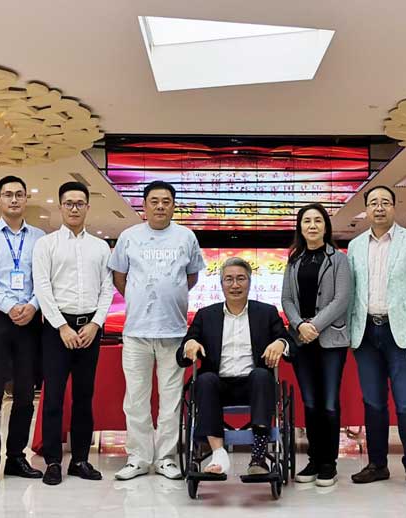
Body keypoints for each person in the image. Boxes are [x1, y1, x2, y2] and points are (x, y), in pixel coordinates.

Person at [109, 180, 205, 481]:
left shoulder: (186, 236)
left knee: (171, 399)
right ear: (144, 205)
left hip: (174, 332)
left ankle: (166, 458)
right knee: (136, 399)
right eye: (154, 201)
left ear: (173, 206)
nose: (160, 206)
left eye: (166, 201)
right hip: (136, 332)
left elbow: (191, 278)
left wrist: (169, 294)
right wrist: (140, 298)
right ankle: (138, 458)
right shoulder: (129, 237)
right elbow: (119, 277)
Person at [346, 186, 406, 492]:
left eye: (385, 202)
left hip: (402, 333)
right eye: (373, 203)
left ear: (394, 207)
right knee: (373, 403)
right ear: (366, 210)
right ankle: (377, 465)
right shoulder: (355, 245)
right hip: (366, 334)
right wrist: (350, 332)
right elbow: (351, 292)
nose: (379, 207)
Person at [177, 257, 290, 476]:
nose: (235, 285)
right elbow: (182, 354)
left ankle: (258, 457)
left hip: (254, 387)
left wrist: (280, 343)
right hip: (217, 387)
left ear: (250, 281)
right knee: (204, 379)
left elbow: (289, 345)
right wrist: (189, 344)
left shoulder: (266, 313)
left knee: (262, 375)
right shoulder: (205, 315)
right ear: (221, 283)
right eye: (229, 279)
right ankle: (218, 454)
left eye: (241, 278)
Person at [34, 181, 115, 485]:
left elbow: (107, 289)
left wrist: (96, 324)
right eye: (69, 203)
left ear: (87, 207)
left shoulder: (100, 247)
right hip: (57, 329)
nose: (74, 208)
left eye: (80, 203)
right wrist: (62, 326)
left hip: (90, 329)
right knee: (54, 397)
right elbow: (42, 287)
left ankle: (80, 459)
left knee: (84, 396)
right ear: (60, 206)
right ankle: (53, 461)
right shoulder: (47, 245)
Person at [0, 175, 46, 486]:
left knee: (25, 395)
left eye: (19, 194)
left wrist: (32, 306)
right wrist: (9, 306)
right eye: (8, 194)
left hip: (30, 320)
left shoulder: (40, 237)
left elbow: (45, 279)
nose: (14, 199)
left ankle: (16, 458)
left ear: (26, 199)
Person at [280, 203, 353, 487]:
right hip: (302, 340)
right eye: (307, 221)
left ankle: (328, 463)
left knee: (329, 403)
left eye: (317, 221)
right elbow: (287, 299)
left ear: (325, 226)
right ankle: (313, 459)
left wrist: (315, 326)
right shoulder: (294, 260)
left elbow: (342, 299)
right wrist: (300, 325)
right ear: (300, 227)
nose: (312, 225)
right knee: (310, 403)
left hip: (331, 341)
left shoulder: (339, 260)